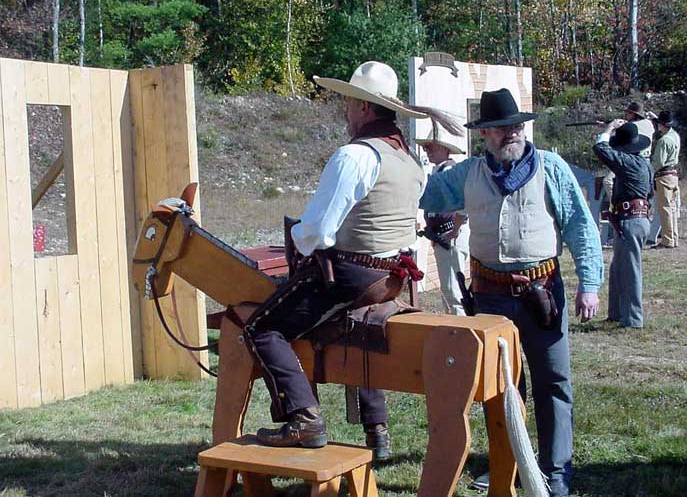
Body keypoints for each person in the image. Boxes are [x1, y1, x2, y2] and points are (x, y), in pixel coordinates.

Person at [244, 61, 461, 459]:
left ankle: (303, 417)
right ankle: (375, 429)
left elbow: (317, 232)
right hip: (393, 278)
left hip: (353, 275)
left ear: (363, 108)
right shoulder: (410, 160)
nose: (345, 109)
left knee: (260, 328)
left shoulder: (354, 156)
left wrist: (294, 236)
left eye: (348, 102)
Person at [420, 88, 603, 497]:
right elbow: (426, 195)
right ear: (484, 135)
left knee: (553, 381)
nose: (511, 134)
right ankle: (511, 465)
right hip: (490, 296)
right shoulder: (466, 174)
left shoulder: (551, 168)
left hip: (543, 292)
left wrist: (589, 285)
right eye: (501, 129)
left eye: (516, 127)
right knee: (500, 387)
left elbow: (580, 227)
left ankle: (555, 473)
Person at [593, 120, 653, 329]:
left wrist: (608, 130)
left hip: (630, 220)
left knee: (630, 270)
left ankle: (633, 320)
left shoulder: (627, 162)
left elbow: (600, 149)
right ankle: (617, 313)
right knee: (619, 268)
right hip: (633, 218)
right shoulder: (644, 163)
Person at [416, 122, 470, 315]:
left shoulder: (449, 172)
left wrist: (453, 231)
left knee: (454, 292)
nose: (427, 150)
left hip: (450, 236)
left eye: (432, 146)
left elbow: (462, 206)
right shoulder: (438, 171)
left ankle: (460, 334)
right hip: (444, 236)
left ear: (445, 148)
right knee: (449, 290)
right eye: (426, 146)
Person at [601, 101, 655, 204]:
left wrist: (609, 127)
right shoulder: (649, 124)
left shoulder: (631, 126)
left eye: (629, 113)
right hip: (646, 162)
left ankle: (616, 204)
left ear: (634, 114)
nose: (627, 115)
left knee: (607, 181)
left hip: (632, 160)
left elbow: (618, 137)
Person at [650, 111, 681, 248]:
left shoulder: (663, 140)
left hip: (664, 176)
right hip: (673, 175)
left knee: (665, 208)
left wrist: (648, 171)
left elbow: (658, 162)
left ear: (662, 125)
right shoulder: (675, 136)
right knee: (672, 208)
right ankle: (673, 238)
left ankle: (667, 240)